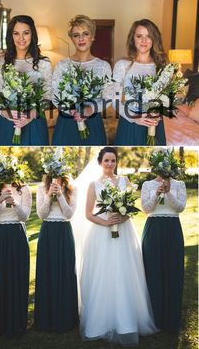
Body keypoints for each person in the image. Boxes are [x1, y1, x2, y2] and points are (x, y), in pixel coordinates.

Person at [77, 147, 157, 344]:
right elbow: (88, 214)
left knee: (124, 272)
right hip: (102, 234)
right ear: (100, 162)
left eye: (113, 161)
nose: (110, 164)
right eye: (106, 161)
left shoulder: (125, 182)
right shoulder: (93, 185)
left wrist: (122, 216)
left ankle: (128, 322)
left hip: (124, 232)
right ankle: (101, 323)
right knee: (104, 274)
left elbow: (131, 208)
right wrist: (106, 223)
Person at [0, 15, 52, 145]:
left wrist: (31, 114)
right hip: (8, 123)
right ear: (11, 36)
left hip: (35, 121)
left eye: (26, 33)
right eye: (16, 33)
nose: (21, 38)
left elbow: (48, 96)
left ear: (32, 35)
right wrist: (8, 113)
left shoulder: (44, 63)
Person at [0, 171, 32, 338]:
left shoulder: (23, 189)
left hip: (17, 236)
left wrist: (15, 203)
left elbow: (25, 217)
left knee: (17, 278)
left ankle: (17, 324)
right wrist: (0, 200)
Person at [52, 15, 112, 145]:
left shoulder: (103, 66)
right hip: (67, 121)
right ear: (72, 39)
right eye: (76, 35)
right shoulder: (62, 66)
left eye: (85, 33)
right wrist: (71, 109)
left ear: (93, 36)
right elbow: (55, 95)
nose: (81, 38)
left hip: (93, 122)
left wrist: (90, 109)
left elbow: (108, 97)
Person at [141, 165, 187, 334]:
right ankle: (155, 317)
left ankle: (171, 317)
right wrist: (157, 193)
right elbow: (146, 208)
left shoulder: (180, 184)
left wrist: (168, 192)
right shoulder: (147, 185)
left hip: (173, 228)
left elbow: (180, 208)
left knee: (173, 270)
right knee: (153, 270)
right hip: (153, 228)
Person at [34, 171, 78, 332]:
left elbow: (69, 214)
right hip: (47, 231)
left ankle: (65, 316)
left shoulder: (73, 189)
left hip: (64, 230)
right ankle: (46, 318)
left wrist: (60, 195)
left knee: (65, 271)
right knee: (47, 271)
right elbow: (41, 214)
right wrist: (48, 196)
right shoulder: (41, 188)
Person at [113, 19, 167, 145]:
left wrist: (159, 111)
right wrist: (134, 118)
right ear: (133, 38)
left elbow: (166, 97)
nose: (144, 41)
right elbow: (113, 99)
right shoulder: (122, 65)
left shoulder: (161, 66)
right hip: (130, 123)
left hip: (154, 124)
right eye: (139, 36)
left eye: (148, 36)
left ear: (154, 39)